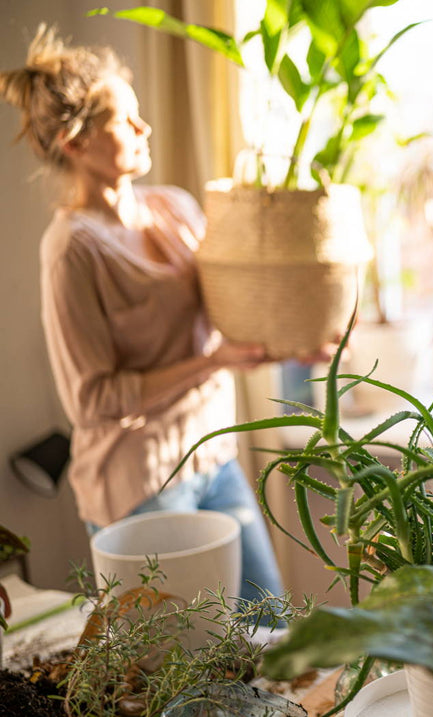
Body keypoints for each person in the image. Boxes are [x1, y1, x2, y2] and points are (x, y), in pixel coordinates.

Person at [0, 26, 284, 605]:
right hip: (140, 488)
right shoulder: (72, 249)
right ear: (76, 143)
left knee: (277, 631)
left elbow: (235, 309)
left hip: (214, 457)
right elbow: (92, 401)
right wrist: (210, 363)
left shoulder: (174, 207)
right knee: (191, 676)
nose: (143, 127)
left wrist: (295, 338)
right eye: (124, 120)